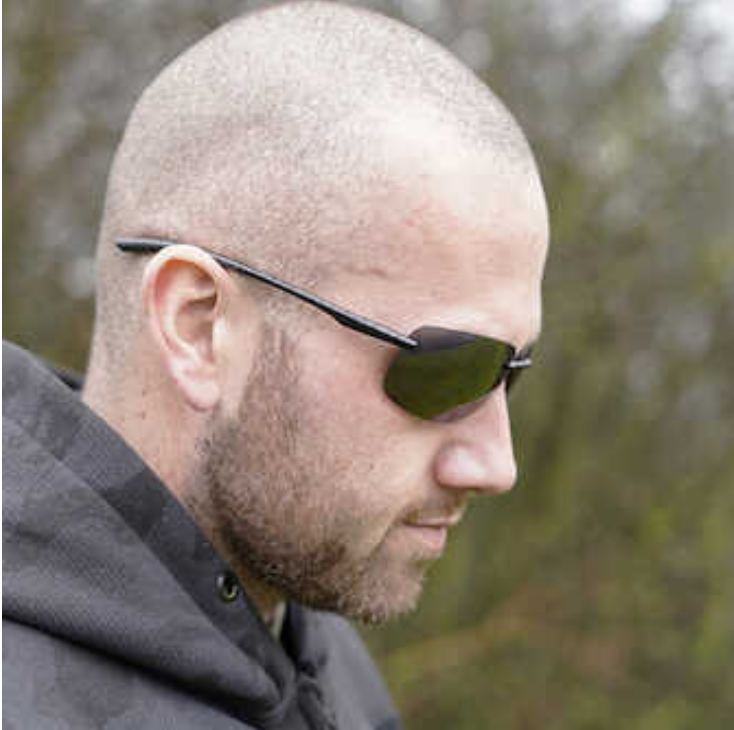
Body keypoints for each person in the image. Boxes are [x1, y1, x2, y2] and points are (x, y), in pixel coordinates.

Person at [3, 1, 549, 728]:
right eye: (451, 371)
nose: (496, 465)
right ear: (199, 326)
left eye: (512, 372)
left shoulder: (309, 638)